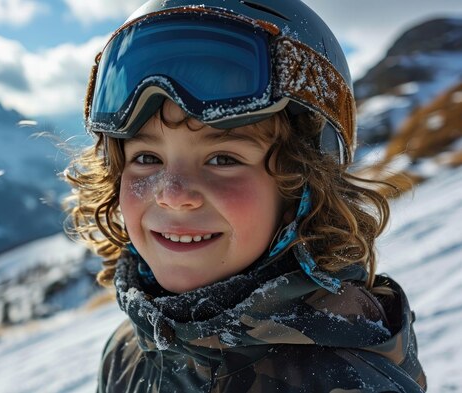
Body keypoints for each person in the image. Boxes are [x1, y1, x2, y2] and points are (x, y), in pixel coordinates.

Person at [64, 0, 427, 391]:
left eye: (222, 159)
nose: (172, 195)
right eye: (147, 158)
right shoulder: (128, 354)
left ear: (305, 187)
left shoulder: (349, 381)